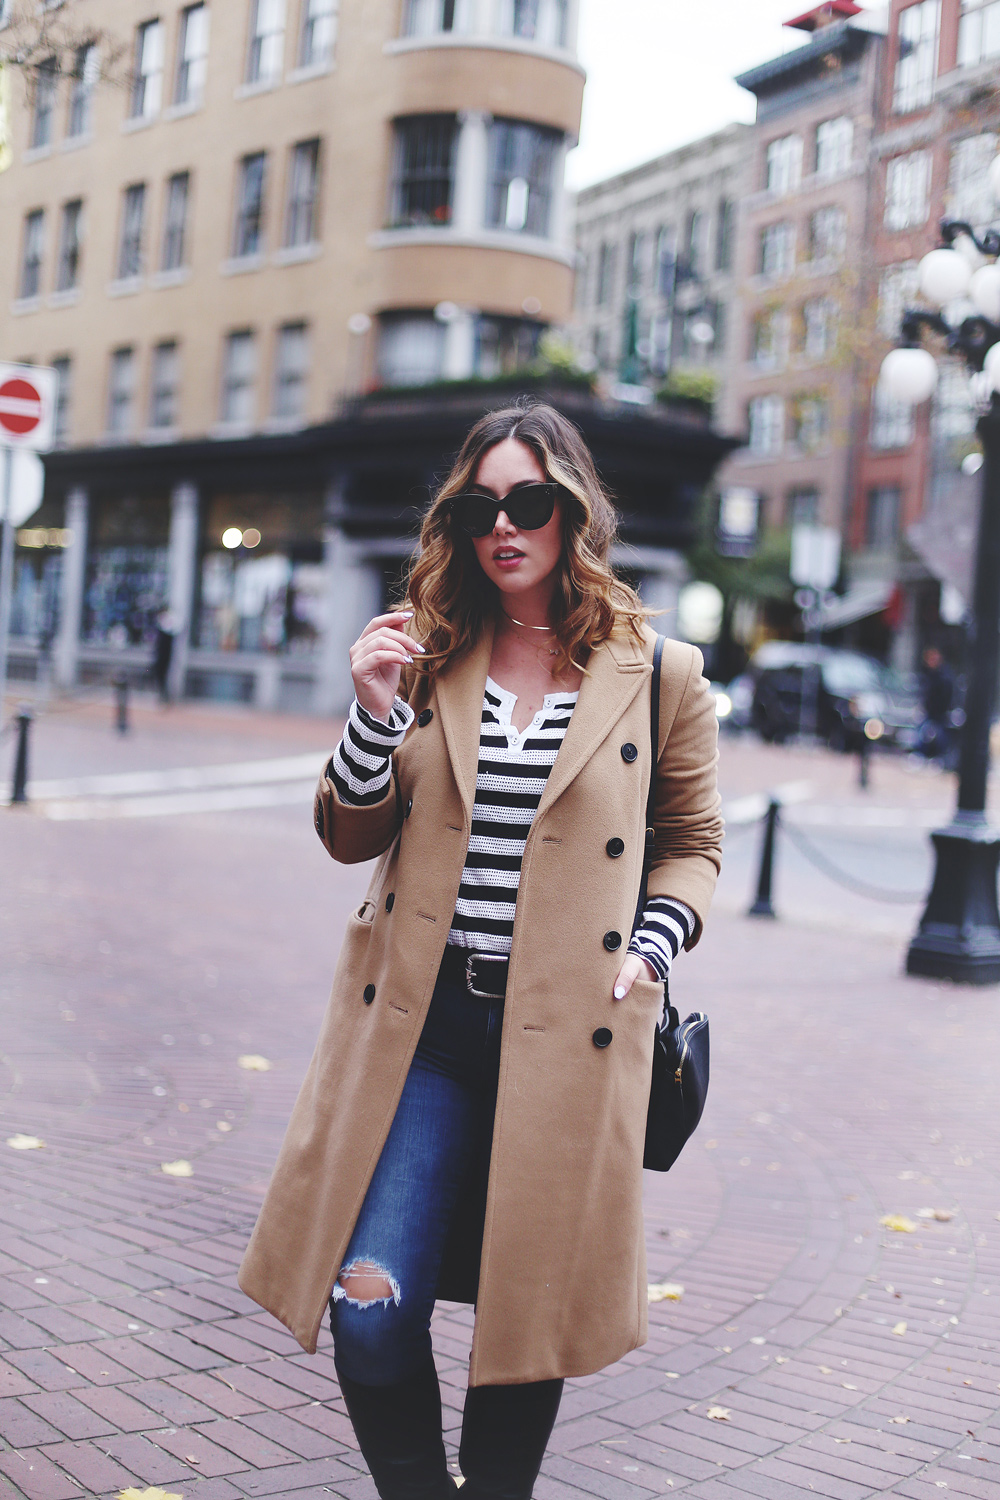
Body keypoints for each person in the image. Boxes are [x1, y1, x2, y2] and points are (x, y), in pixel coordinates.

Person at [239, 402, 723, 1500]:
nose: (505, 525)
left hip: (569, 1031)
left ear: (573, 512)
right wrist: (370, 715)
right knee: (370, 1309)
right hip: (423, 1032)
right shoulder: (425, 647)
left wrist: (649, 948)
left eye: (530, 502)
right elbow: (348, 834)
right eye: (479, 506)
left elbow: (692, 844)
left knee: (524, 1326)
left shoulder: (657, 673)